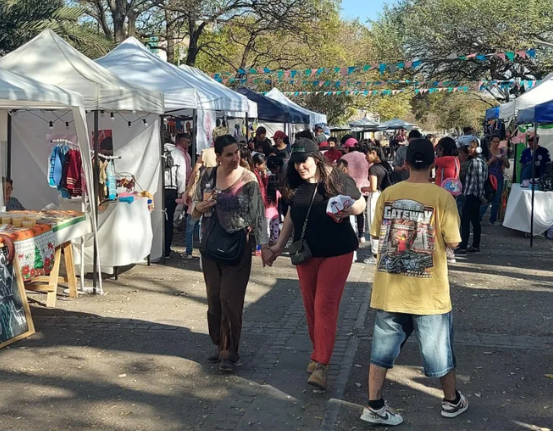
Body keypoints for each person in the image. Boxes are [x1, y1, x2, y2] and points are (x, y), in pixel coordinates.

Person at [361, 138, 466, 425]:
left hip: (390, 287)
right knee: (438, 349)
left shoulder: (388, 194)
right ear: (434, 163)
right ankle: (450, 400)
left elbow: (376, 234)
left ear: (405, 163)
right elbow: (454, 241)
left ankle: (374, 404)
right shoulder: (443, 197)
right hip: (428, 291)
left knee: (381, 350)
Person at [266, 138, 365, 390]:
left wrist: (348, 209)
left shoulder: (336, 179)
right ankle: (318, 351)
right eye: (296, 163)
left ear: (317, 159)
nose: (300, 167)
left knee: (325, 304)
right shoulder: (295, 184)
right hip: (306, 253)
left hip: (337, 252)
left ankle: (322, 364)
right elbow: (291, 215)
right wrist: (278, 246)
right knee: (310, 305)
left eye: (305, 161)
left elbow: (361, 203)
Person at [189, 135, 269, 373]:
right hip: (211, 245)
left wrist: (263, 246)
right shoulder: (207, 176)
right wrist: (199, 208)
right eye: (229, 154)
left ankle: (228, 351)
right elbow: (193, 208)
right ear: (218, 156)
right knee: (214, 299)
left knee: (229, 299)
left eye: (238, 153)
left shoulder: (248, 179)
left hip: (238, 246)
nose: (236, 158)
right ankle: (218, 343)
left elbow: (259, 215)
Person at [162, 133, 192, 259]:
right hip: (172, 189)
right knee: (168, 220)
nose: (188, 145)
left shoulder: (160, 152)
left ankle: (158, 247)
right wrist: (181, 191)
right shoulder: (178, 154)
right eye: (187, 142)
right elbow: (181, 175)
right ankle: (166, 249)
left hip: (160, 187)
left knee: (159, 218)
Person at [458, 141, 487, 254]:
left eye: (472, 147)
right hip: (473, 194)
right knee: (475, 221)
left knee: (466, 221)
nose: (469, 149)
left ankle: (463, 246)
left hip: (472, 195)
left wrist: (480, 196)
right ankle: (475, 245)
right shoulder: (480, 162)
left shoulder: (476, 163)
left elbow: (479, 181)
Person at [183, 154, 205, 259]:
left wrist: (186, 194)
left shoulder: (194, 179)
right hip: (202, 207)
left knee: (189, 231)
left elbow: (189, 194)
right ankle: (202, 252)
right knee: (201, 231)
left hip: (192, 208)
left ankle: (188, 252)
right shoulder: (207, 179)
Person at [486, 135, 510, 224]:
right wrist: (492, 160)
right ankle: (479, 217)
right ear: (491, 142)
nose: (496, 143)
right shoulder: (487, 152)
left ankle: (493, 219)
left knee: (497, 198)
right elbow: (484, 165)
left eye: (498, 142)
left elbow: (508, 165)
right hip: (488, 177)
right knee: (487, 197)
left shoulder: (502, 152)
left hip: (499, 177)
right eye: (494, 142)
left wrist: (503, 159)